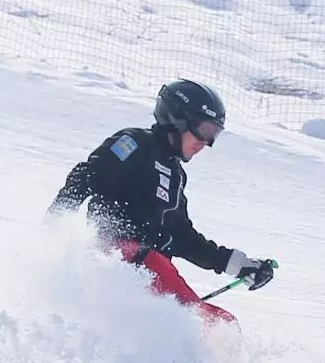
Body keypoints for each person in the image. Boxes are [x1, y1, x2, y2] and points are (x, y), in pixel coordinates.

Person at [46, 78, 274, 324]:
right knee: (211, 325)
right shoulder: (135, 143)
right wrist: (54, 228)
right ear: (177, 119)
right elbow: (87, 175)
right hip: (119, 258)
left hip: (148, 268)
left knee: (221, 323)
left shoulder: (175, 175)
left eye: (214, 135)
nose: (206, 143)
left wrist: (238, 265)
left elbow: (183, 238)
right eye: (205, 130)